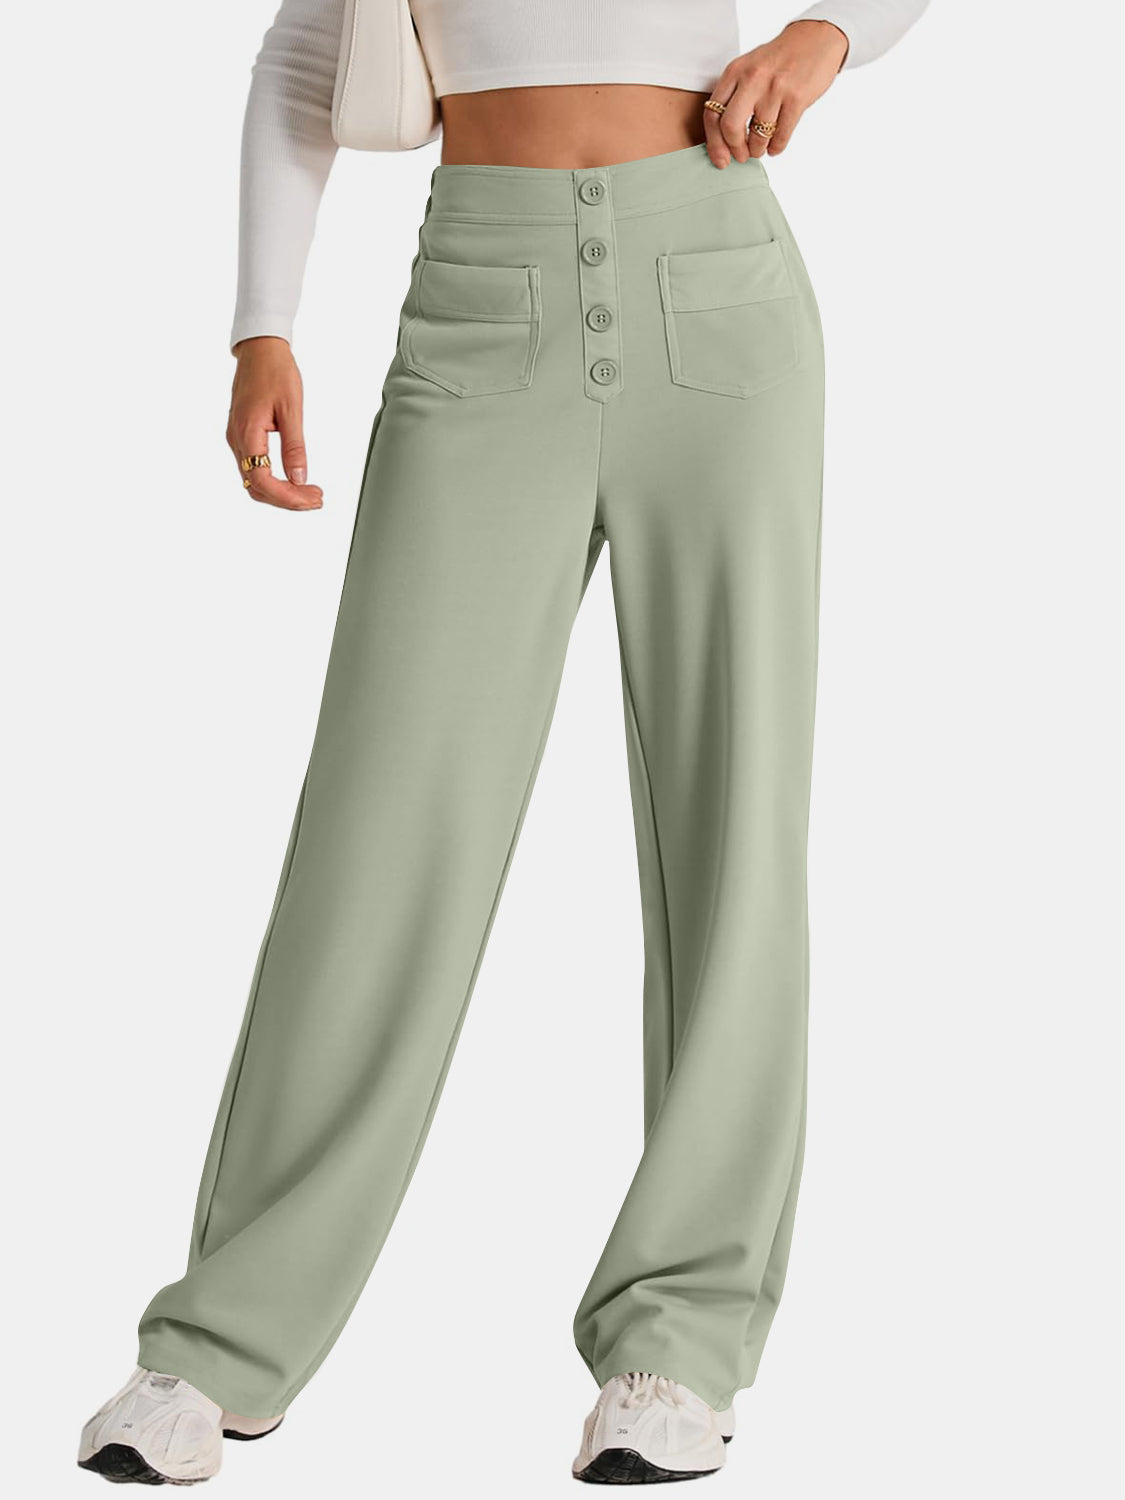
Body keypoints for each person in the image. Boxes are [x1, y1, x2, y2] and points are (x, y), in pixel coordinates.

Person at [78, 0, 929, 1485]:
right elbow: (301, 57)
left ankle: (680, 1345)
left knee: (731, 834)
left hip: (715, 283)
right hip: (480, 296)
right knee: (379, 835)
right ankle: (222, 1344)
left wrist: (829, 33)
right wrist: (263, 324)